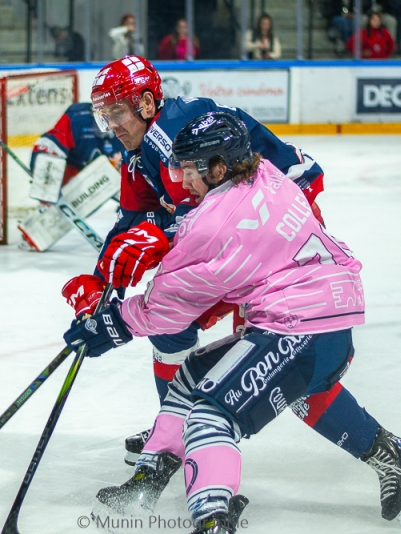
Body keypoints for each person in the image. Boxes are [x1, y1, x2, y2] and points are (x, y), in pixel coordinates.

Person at [64, 112, 401, 534]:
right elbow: (224, 228)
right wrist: (168, 238)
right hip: (317, 306)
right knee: (193, 376)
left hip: (303, 324)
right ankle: (151, 476)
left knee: (212, 416)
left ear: (218, 167)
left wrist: (109, 325)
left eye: (189, 170)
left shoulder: (211, 224)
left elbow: (165, 309)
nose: (182, 181)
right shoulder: (265, 173)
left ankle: (212, 519)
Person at [61, 55, 325, 464]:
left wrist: (162, 236)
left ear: (146, 103)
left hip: (279, 229)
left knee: (276, 357)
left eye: (117, 112)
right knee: (171, 325)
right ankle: (176, 430)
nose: (111, 125)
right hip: (239, 238)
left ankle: (385, 450)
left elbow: (206, 223)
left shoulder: (175, 132)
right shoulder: (140, 152)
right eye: (104, 114)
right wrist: (100, 283)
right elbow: (133, 219)